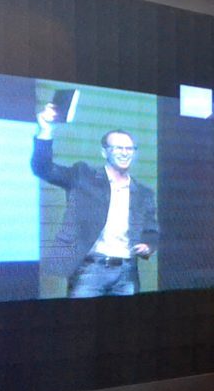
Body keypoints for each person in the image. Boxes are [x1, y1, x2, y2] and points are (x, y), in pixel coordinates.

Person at [31, 103, 159, 297]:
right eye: (118, 148)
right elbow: (43, 168)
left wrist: (148, 245)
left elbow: (151, 231)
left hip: (127, 272)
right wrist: (46, 129)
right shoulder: (83, 176)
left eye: (129, 148)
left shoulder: (143, 193)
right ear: (104, 152)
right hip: (89, 270)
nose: (125, 152)